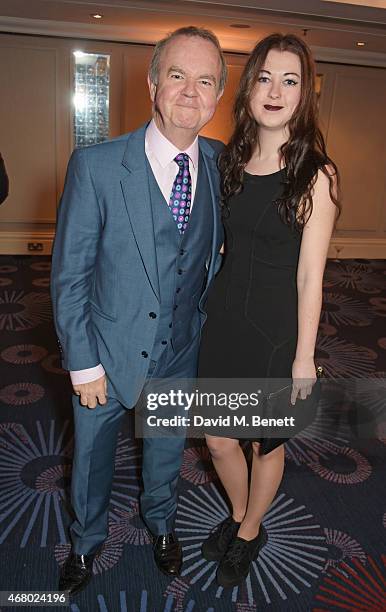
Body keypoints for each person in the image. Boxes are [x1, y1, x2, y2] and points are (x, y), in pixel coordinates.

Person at [51, 26, 226, 595]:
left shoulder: (223, 166)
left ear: (219, 97)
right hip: (107, 351)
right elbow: (70, 276)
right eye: (178, 75)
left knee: (166, 455)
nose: (190, 92)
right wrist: (83, 363)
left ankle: (162, 525)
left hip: (179, 350)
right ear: (153, 83)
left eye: (206, 81)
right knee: (92, 460)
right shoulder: (97, 166)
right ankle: (85, 540)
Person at [198, 33, 340, 588]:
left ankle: (252, 527)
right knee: (217, 437)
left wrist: (304, 359)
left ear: (304, 95)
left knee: (264, 439)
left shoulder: (317, 176)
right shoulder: (228, 159)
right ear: (249, 87)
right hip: (225, 317)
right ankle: (237, 513)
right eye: (265, 78)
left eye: (290, 80)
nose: (276, 91)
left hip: (277, 330)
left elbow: (311, 276)